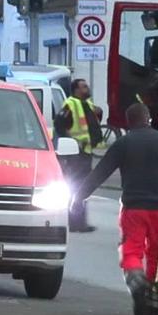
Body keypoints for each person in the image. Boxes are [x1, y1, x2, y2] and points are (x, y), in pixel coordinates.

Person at [77, 101, 158, 315]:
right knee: (156, 254)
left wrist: (79, 196)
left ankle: (137, 282)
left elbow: (100, 172)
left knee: (132, 250)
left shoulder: (124, 143)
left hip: (133, 208)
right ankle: (152, 299)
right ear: (147, 118)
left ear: (129, 123)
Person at [56, 79, 103, 232]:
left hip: (85, 153)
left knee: (83, 187)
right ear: (76, 90)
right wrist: (70, 140)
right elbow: (59, 124)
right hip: (76, 154)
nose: (87, 88)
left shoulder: (86, 104)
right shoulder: (71, 104)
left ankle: (79, 222)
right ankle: (75, 222)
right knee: (76, 187)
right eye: (83, 87)